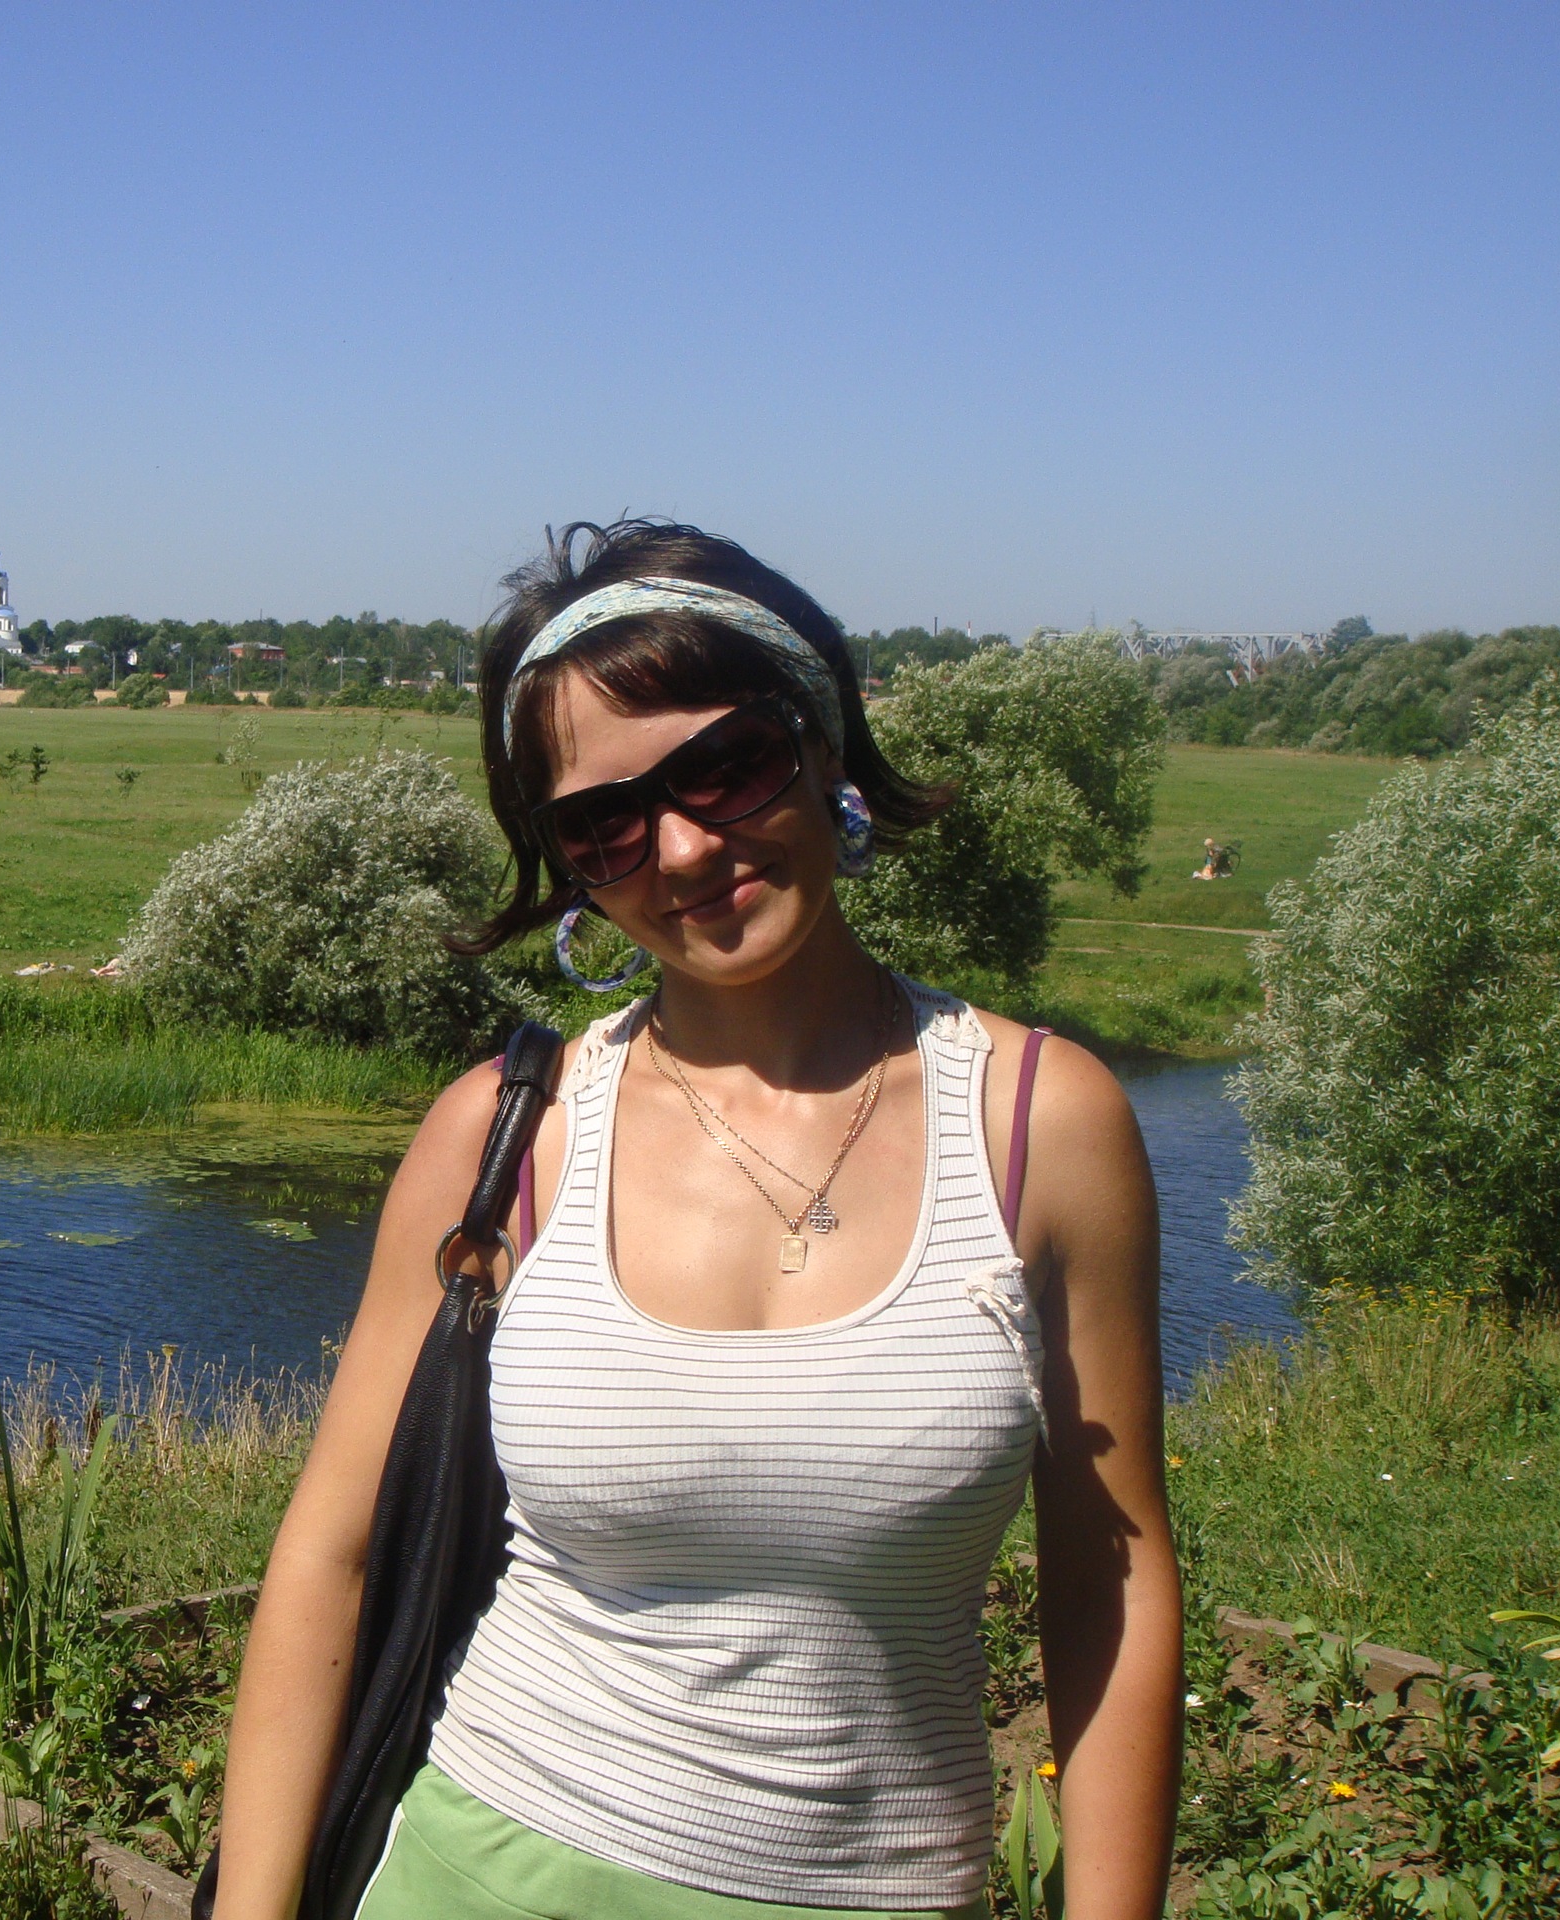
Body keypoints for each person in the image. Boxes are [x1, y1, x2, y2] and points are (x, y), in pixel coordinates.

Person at [214, 522, 1179, 1920]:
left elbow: (1113, 1579)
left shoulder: (1041, 1125)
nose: (679, 849)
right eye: (602, 825)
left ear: (824, 742)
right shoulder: (507, 1137)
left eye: (726, 766)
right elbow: (332, 1556)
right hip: (482, 1872)